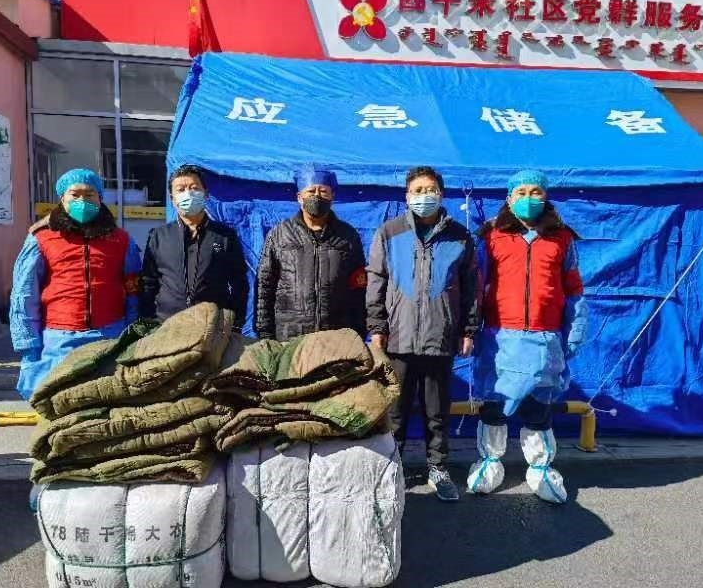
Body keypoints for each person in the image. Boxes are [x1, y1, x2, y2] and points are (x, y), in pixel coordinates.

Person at [467, 170, 587, 504]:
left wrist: (575, 330)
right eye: (521, 192)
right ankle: (490, 462)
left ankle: (540, 467)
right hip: (499, 339)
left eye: (536, 192)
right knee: (495, 404)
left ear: (545, 197)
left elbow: (573, 289)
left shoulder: (562, 238)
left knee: (538, 406)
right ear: (509, 198)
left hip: (544, 339)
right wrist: (470, 328)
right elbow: (475, 286)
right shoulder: (491, 236)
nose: (528, 198)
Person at [367, 166, 480, 502]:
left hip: (439, 337)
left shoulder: (460, 236)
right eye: (417, 190)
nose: (424, 196)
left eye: (430, 190)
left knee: (437, 412)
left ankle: (438, 468)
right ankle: (393, 467)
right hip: (398, 338)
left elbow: (471, 288)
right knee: (395, 411)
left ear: (441, 194)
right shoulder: (389, 232)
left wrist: (468, 329)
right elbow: (376, 281)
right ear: (407, 196)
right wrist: (377, 328)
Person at [9, 168, 142, 401]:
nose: (82, 201)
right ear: (62, 198)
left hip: (110, 336)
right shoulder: (42, 238)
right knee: (61, 404)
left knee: (105, 404)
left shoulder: (121, 239)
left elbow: (134, 290)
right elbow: (24, 293)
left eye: (89, 194)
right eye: (75, 195)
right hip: (60, 340)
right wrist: (29, 345)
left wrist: (132, 333)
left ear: (100, 198)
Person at [255, 165, 367, 341]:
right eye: (311, 191)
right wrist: (264, 333)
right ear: (299, 197)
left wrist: (359, 331)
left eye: (323, 191)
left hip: (335, 336)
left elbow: (359, 288)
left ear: (332, 196)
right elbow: (264, 286)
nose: (317, 196)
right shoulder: (280, 235)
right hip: (289, 336)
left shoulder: (348, 236)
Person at [139, 164, 249, 330]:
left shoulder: (225, 236)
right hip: (167, 327)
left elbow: (239, 283)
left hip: (212, 327)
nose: (188, 194)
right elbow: (148, 283)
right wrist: (149, 323)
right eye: (181, 189)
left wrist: (234, 323)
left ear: (206, 194)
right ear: (172, 199)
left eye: (194, 188)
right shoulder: (159, 236)